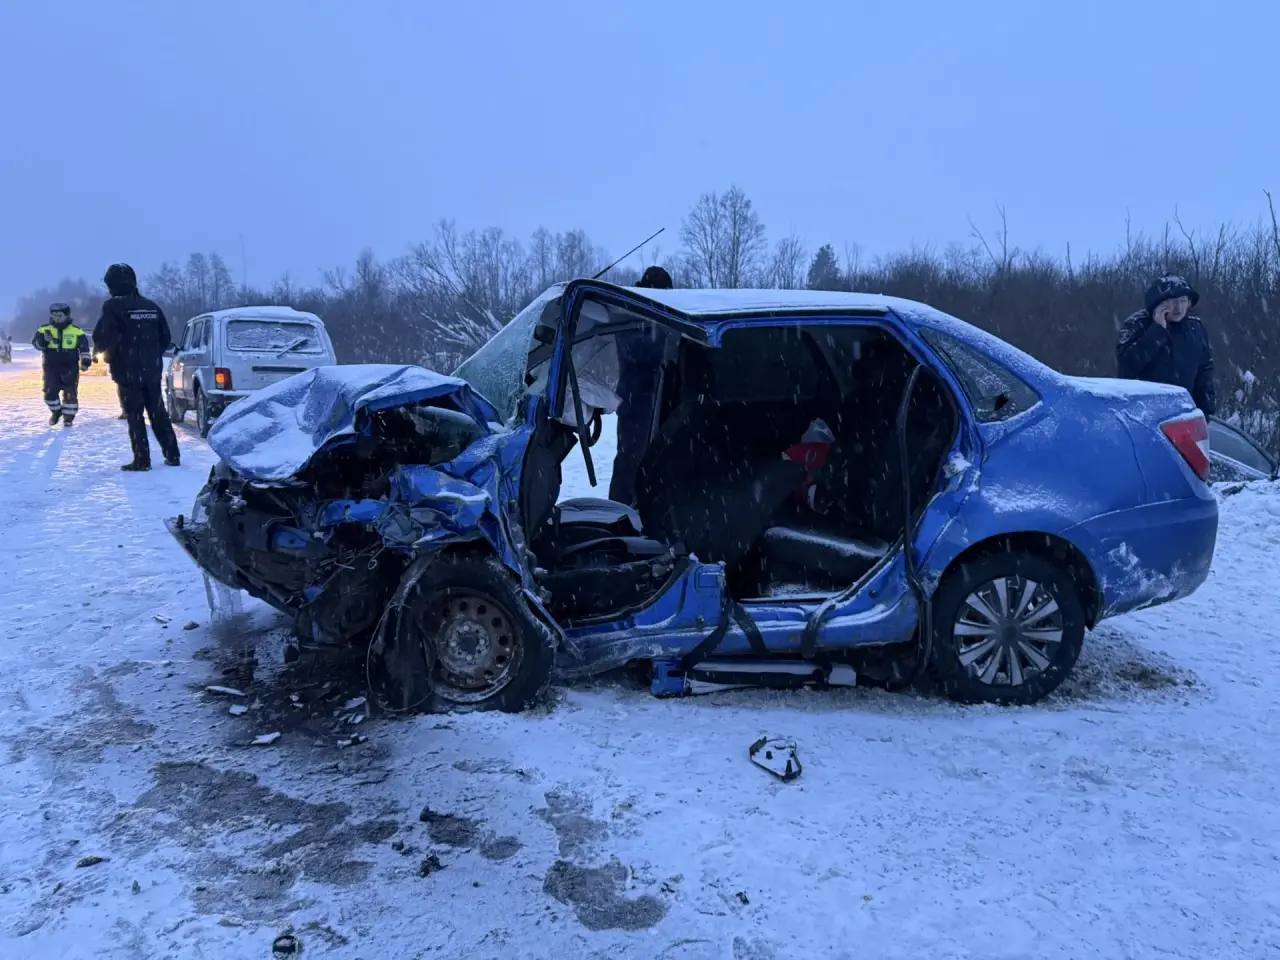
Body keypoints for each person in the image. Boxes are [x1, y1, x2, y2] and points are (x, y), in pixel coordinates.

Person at [92, 263, 181, 470]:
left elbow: (102, 337)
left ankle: (142, 460)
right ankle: (173, 454)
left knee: (134, 415)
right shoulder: (151, 306)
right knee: (158, 412)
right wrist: (150, 355)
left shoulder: (112, 307)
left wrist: (105, 351)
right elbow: (165, 337)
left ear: (112, 285)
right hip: (151, 370)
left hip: (126, 371)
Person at [608, 265, 674, 504]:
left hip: (658, 400)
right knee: (629, 461)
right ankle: (619, 511)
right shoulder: (628, 311)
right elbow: (638, 350)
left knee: (653, 463)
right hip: (636, 402)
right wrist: (668, 331)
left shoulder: (652, 312)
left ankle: (644, 510)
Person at [1117, 274, 1215, 415]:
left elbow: (1204, 371)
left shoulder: (1195, 328)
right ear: (1159, 302)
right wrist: (1157, 331)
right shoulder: (1137, 324)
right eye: (1172, 301)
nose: (1178, 307)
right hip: (1143, 414)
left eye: (1183, 301)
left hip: (1184, 413)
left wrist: (1205, 411)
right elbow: (1127, 367)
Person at [32, 303, 92, 426]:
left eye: (59, 315)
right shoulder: (43, 330)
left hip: (70, 367)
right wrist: (44, 341)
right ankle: (56, 412)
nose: (56, 318)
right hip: (51, 367)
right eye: (54, 315)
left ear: (66, 316)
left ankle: (68, 418)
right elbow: (36, 345)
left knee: (70, 394)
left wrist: (85, 362)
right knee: (49, 393)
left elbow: (84, 348)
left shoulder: (76, 331)